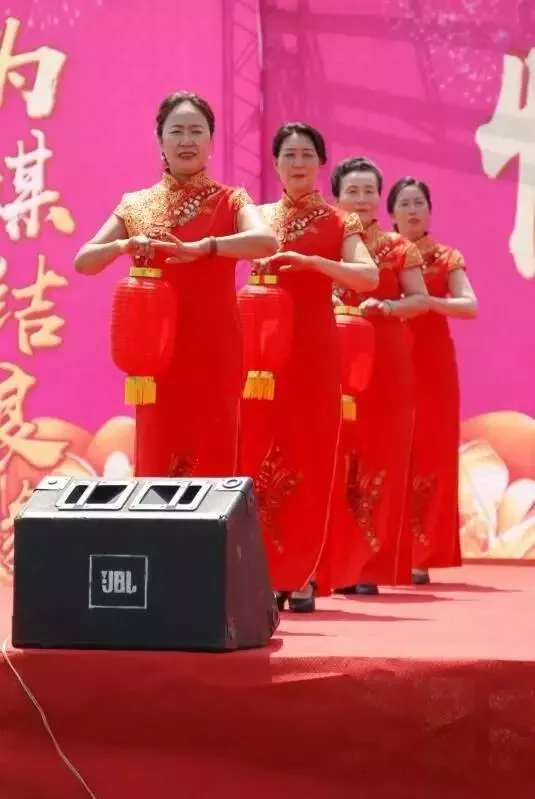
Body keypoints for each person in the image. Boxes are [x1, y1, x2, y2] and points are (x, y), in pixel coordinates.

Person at [75, 91, 278, 478]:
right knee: (159, 454)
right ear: (160, 140)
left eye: (196, 131)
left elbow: (266, 242)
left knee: (214, 450)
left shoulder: (232, 200)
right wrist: (121, 246)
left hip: (214, 344)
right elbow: (84, 261)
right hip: (156, 353)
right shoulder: (136, 205)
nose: (187, 141)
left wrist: (207, 247)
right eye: (177, 131)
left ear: (211, 141)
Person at [239, 125, 379, 612]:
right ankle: (258, 573)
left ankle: (301, 574)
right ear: (274, 163)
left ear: (321, 163)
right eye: (288, 155)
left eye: (306, 155)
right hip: (259, 355)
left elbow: (367, 275)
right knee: (256, 454)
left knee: (310, 455)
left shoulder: (341, 222)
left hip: (315, 350)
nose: (297, 163)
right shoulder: (256, 216)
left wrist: (316, 263)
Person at [328, 157, 428, 595]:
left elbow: (419, 299)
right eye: (353, 191)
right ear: (337, 196)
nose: (362, 199)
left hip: (385, 360)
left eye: (370, 191)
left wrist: (388, 307)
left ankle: (366, 564)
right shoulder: (327, 240)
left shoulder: (398, 247)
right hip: (333, 357)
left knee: (379, 457)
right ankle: (328, 563)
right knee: (336, 457)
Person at [387, 177, 478, 584]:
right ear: (391, 213)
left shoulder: (446, 257)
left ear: (429, 210)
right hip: (385, 358)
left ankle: (418, 554)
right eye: (404, 203)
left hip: (432, 364)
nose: (412, 210)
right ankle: (379, 551)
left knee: (428, 453)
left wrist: (427, 302)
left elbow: (469, 305)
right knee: (386, 449)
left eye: (419, 202)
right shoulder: (380, 252)